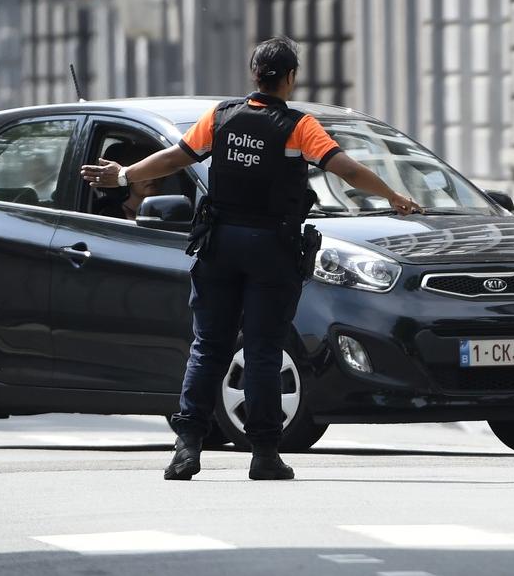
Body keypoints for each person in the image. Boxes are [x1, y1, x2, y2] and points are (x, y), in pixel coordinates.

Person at [82, 37, 422, 481]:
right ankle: (264, 454)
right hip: (270, 250)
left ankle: (186, 451)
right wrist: (393, 195)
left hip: (219, 246)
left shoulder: (221, 116)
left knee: (207, 348)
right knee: (262, 350)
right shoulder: (299, 127)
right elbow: (347, 170)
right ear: (291, 77)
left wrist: (124, 173)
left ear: (254, 75)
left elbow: (175, 158)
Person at [92, 143, 161, 220]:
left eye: (155, 171)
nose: (151, 178)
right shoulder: (110, 216)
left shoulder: (168, 212)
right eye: (143, 173)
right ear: (128, 176)